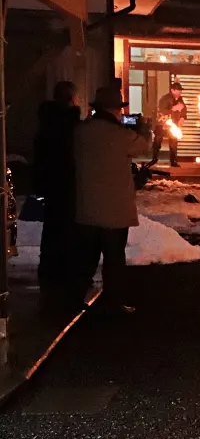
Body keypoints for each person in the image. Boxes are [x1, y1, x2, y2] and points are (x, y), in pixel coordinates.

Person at [72, 85, 153, 312]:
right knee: (114, 258)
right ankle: (113, 302)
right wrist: (144, 129)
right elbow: (144, 145)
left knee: (86, 258)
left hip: (87, 207)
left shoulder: (81, 131)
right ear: (116, 109)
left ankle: (75, 299)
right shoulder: (121, 135)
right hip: (115, 211)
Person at [33, 80, 82, 301]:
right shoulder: (70, 123)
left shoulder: (46, 122)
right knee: (67, 224)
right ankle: (65, 269)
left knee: (52, 224)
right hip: (67, 180)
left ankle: (48, 267)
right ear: (70, 99)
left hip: (49, 181)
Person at [153, 81, 187, 165]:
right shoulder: (165, 98)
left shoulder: (180, 99)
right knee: (158, 141)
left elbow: (184, 109)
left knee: (173, 142)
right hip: (162, 123)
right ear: (172, 90)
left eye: (180, 90)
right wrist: (173, 109)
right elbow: (161, 110)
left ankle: (173, 161)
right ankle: (154, 159)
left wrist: (182, 117)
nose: (180, 92)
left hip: (174, 124)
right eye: (178, 90)